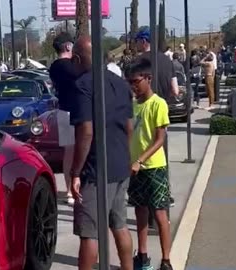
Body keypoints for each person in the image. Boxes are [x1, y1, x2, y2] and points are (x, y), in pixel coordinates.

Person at [70, 36, 133, 270]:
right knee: (120, 224)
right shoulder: (121, 83)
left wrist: (76, 172)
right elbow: (129, 127)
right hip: (120, 165)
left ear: (77, 58)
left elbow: (86, 132)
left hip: (96, 171)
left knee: (90, 233)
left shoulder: (83, 86)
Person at [126, 58, 172, 270]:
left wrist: (140, 160)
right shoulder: (134, 105)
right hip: (135, 169)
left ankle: (166, 260)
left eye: (136, 81)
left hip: (154, 167)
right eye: (130, 82)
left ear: (148, 78)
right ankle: (142, 255)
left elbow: (160, 139)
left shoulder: (158, 104)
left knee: (160, 214)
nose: (133, 86)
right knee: (139, 212)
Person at [135, 29, 177, 207]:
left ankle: (147, 196)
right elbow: (175, 89)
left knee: (145, 152)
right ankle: (164, 192)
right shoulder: (168, 60)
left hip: (144, 110)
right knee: (161, 153)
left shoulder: (140, 61)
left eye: (137, 40)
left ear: (144, 41)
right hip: (163, 111)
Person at [49, 32, 80, 205]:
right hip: (75, 112)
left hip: (63, 110)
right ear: (68, 46)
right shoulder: (71, 66)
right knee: (78, 150)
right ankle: (75, 188)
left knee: (68, 152)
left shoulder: (53, 67)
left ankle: (69, 190)